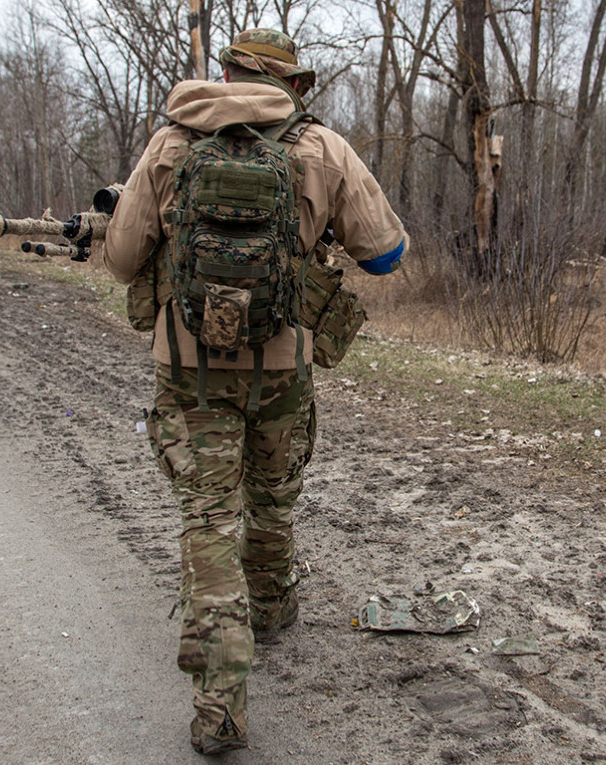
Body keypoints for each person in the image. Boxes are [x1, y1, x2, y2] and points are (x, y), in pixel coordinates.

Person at [103, 28, 407, 755]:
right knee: (272, 496)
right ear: (291, 85)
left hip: (187, 368)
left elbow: (120, 259)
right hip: (281, 365)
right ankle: (269, 608)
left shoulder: (171, 142)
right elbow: (388, 252)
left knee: (208, 520)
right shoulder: (322, 148)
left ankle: (220, 707)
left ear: (228, 73)